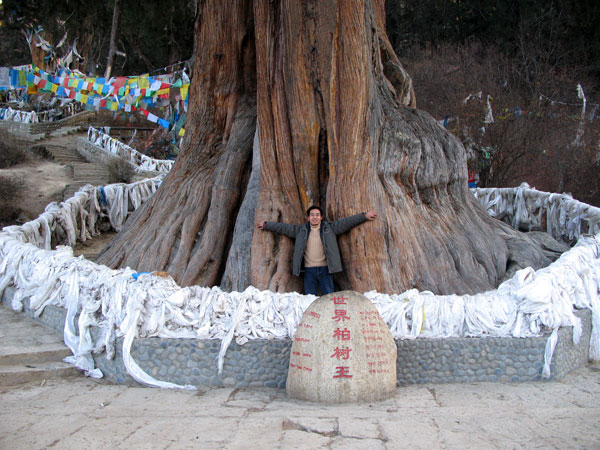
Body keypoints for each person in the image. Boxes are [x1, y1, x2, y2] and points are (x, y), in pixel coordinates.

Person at [256, 206, 377, 295]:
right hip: (309, 271)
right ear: (308, 217)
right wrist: (267, 225)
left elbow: (346, 222)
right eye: (312, 215)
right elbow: (283, 228)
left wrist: (364, 216)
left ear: (321, 217)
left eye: (317, 215)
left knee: (329, 296)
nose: (315, 217)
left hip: (326, 269)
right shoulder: (300, 230)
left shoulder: (330, 228)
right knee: (309, 298)